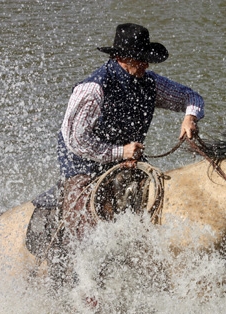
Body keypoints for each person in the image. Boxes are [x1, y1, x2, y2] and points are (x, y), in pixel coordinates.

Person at [57, 23, 205, 240]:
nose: (146, 64)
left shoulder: (149, 82)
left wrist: (189, 118)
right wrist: (120, 152)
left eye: (146, 58)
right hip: (83, 165)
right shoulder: (93, 89)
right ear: (122, 58)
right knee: (84, 229)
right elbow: (76, 141)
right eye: (140, 58)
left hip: (128, 159)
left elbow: (191, 97)